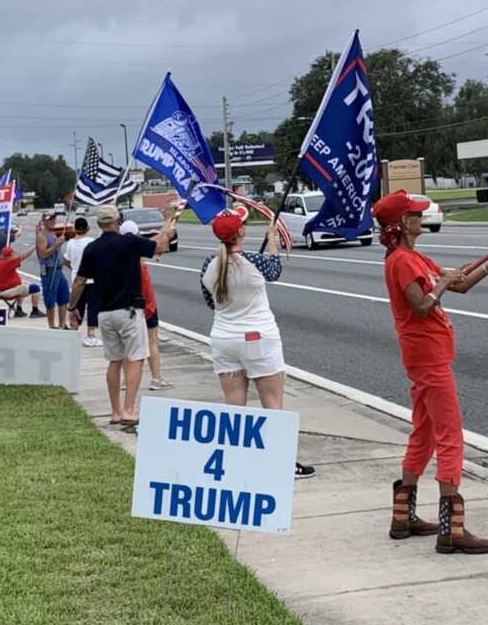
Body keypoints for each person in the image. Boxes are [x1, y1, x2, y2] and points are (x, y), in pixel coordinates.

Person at [371, 190, 488, 554]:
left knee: (423, 432)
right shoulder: (402, 262)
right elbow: (422, 307)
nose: (422, 219)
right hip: (428, 357)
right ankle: (451, 528)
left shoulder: (414, 257)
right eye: (416, 215)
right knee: (450, 434)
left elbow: (463, 283)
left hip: (427, 355)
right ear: (404, 223)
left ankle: (402, 516)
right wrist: (440, 284)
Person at [199, 209, 314, 479]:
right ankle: (282, 462)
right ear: (240, 232)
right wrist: (272, 238)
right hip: (258, 338)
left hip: (224, 339)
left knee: (234, 404)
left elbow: (209, 301)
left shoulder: (208, 264)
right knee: (272, 403)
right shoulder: (253, 261)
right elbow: (274, 270)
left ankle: (231, 460)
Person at [67, 204, 176, 429]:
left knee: (114, 360)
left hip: (105, 312)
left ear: (99, 225)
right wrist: (169, 226)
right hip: (129, 310)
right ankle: (128, 409)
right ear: (118, 221)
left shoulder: (92, 249)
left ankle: (116, 411)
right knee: (135, 358)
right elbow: (161, 246)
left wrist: (72, 308)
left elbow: (79, 282)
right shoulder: (128, 242)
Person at [120, 220, 173, 390]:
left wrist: (166, 224)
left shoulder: (119, 250)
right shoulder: (138, 251)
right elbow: (161, 244)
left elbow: (156, 239)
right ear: (136, 234)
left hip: (127, 304)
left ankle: (126, 379)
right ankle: (156, 378)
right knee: (151, 341)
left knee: (127, 343)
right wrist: (168, 226)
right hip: (145, 302)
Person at [63, 216, 101, 347]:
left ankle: (74, 332)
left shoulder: (71, 243)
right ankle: (91, 334)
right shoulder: (92, 242)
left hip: (76, 279)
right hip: (92, 279)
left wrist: (74, 267)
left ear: (74, 229)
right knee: (92, 307)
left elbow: (66, 259)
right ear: (88, 228)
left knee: (76, 307)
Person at [35, 211, 71, 329]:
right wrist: (57, 244)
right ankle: (52, 326)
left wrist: (68, 264)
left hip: (59, 270)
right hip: (49, 271)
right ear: (44, 222)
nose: (52, 221)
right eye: (50, 219)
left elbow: (58, 254)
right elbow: (43, 254)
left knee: (64, 297)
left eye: (54, 219)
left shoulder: (53, 234)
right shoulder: (42, 236)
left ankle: (62, 325)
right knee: (50, 298)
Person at [0, 245, 44, 318]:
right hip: (6, 292)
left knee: (21, 286)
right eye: (13, 255)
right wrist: (35, 246)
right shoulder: (8, 262)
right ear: (10, 255)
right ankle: (35, 310)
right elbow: (24, 256)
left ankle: (19, 309)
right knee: (35, 288)